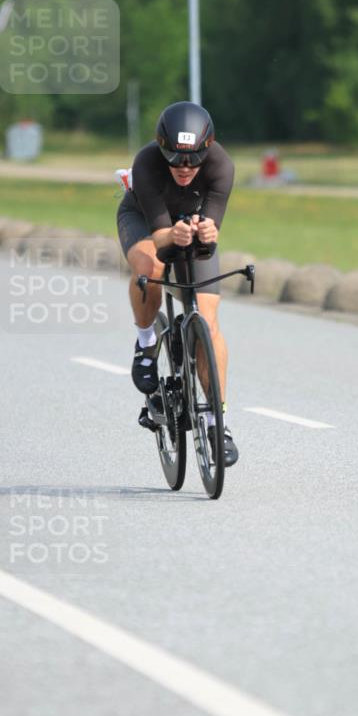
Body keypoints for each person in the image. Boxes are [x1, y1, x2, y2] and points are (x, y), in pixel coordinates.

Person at [116, 101, 238, 466]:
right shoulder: (147, 163)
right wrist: (175, 233)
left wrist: (207, 232)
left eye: (193, 160)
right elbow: (160, 238)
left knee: (210, 323)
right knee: (151, 265)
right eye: (175, 159)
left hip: (190, 227)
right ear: (161, 149)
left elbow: (209, 240)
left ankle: (219, 422)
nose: (184, 169)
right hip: (146, 221)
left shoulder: (221, 167)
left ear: (208, 150)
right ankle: (146, 341)